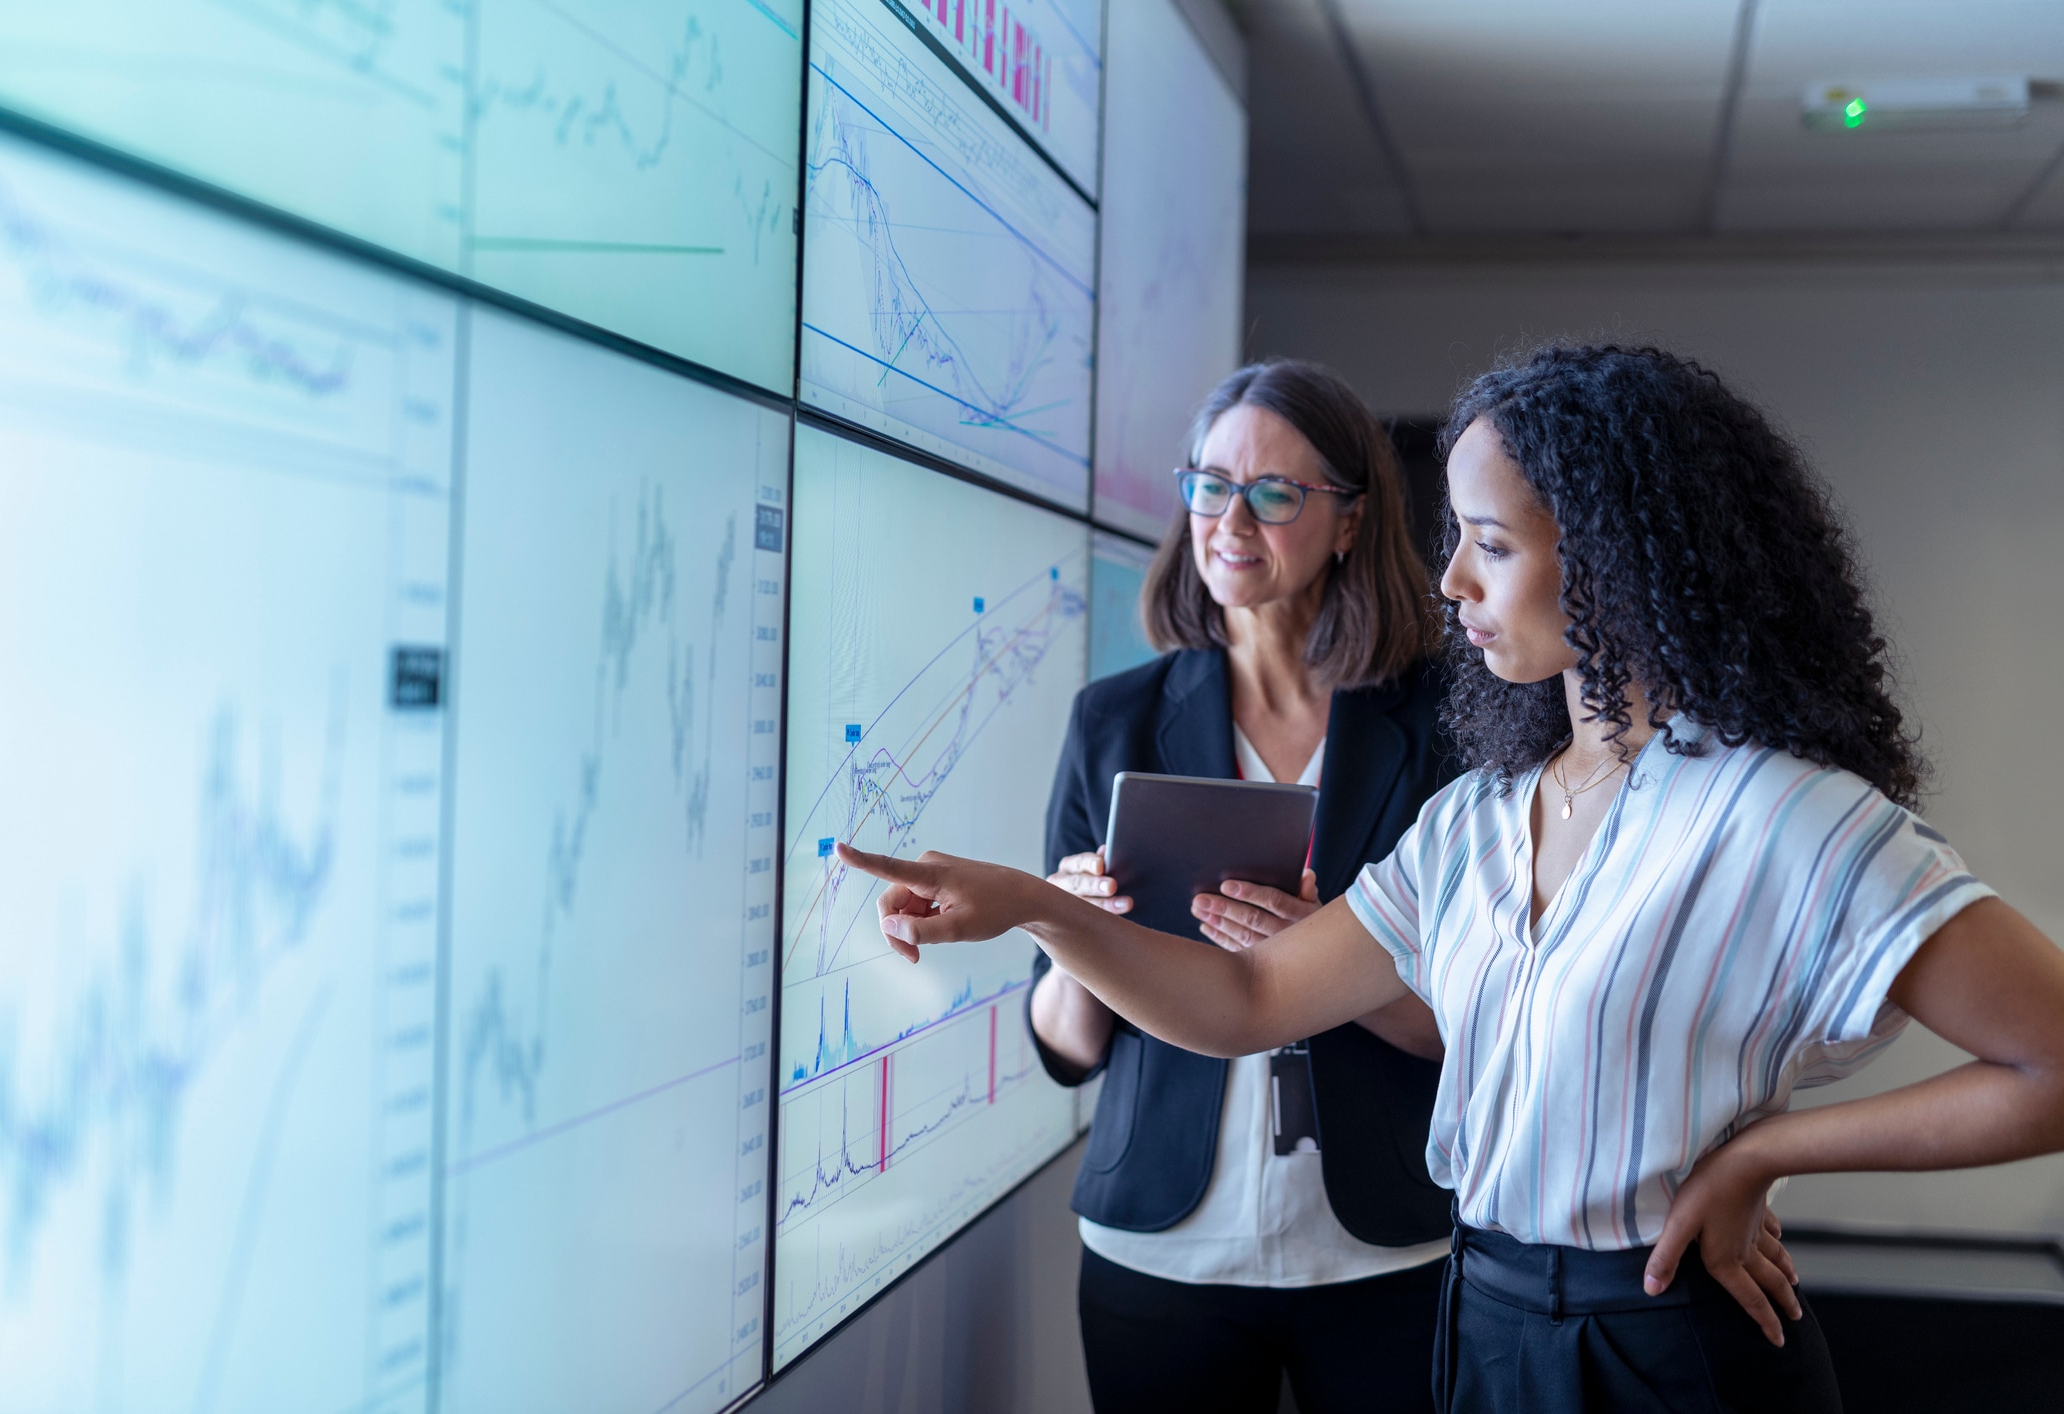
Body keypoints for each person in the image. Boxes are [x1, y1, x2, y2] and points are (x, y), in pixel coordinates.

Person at [838, 344, 2064, 1412]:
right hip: (1479, 1319)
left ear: (1615, 558)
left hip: (1665, 1329)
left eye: (1488, 544)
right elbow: (1249, 1001)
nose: (1452, 584)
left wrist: (1758, 1158)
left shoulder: (1779, 813)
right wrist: (1038, 905)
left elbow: (2048, 1063)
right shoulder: (1479, 816)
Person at [1032, 360, 1454, 1413]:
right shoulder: (1111, 720)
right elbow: (1066, 1046)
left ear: (1350, 522)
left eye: (1274, 493)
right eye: (1211, 484)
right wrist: (1074, 932)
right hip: (1161, 1244)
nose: (1231, 518)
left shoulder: (1442, 727)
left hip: (1383, 1247)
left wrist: (1330, 956)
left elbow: (1478, 1022)